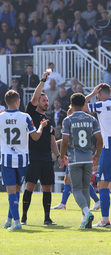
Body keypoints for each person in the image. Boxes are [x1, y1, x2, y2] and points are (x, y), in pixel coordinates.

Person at [1, 90, 48, 229]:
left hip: (7, 159)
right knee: (16, 192)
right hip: (22, 159)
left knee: (11, 192)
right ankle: (10, 220)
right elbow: (36, 137)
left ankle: (16, 222)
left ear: (6, 102)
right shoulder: (25, 117)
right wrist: (41, 126)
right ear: (17, 101)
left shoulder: (1, 117)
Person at [21, 71, 63, 226]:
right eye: (43, 100)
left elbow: (52, 141)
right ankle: (24, 217)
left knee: (47, 187)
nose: (46, 103)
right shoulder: (31, 113)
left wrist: (58, 155)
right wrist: (43, 80)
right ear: (37, 102)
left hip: (46, 157)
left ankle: (47, 218)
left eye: (47, 101)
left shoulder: (49, 119)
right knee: (30, 186)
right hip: (33, 155)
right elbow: (34, 97)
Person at [83, 84, 111, 227]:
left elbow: (81, 105)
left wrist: (91, 93)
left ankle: (105, 219)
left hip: (109, 149)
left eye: (97, 94)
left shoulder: (101, 105)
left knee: (102, 184)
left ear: (99, 94)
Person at [60, 93, 103, 228]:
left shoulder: (68, 120)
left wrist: (62, 156)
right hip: (88, 158)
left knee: (76, 189)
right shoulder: (92, 120)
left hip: (75, 158)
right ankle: (85, 221)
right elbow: (100, 140)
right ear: (85, 104)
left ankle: (86, 212)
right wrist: (97, 155)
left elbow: (65, 142)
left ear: (71, 105)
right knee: (85, 188)